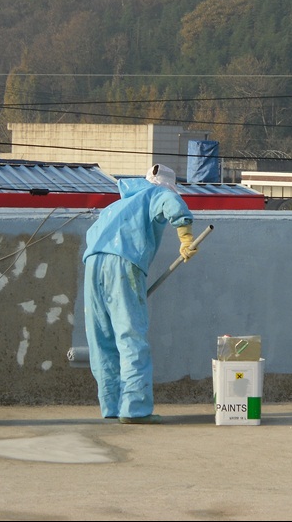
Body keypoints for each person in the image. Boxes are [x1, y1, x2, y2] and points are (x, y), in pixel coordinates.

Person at [82, 164, 198, 424]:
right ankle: (134, 409)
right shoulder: (156, 193)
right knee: (130, 336)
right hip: (123, 262)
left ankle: (111, 406)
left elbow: (92, 234)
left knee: (101, 339)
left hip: (93, 264)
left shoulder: (117, 205)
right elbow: (172, 203)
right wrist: (186, 238)